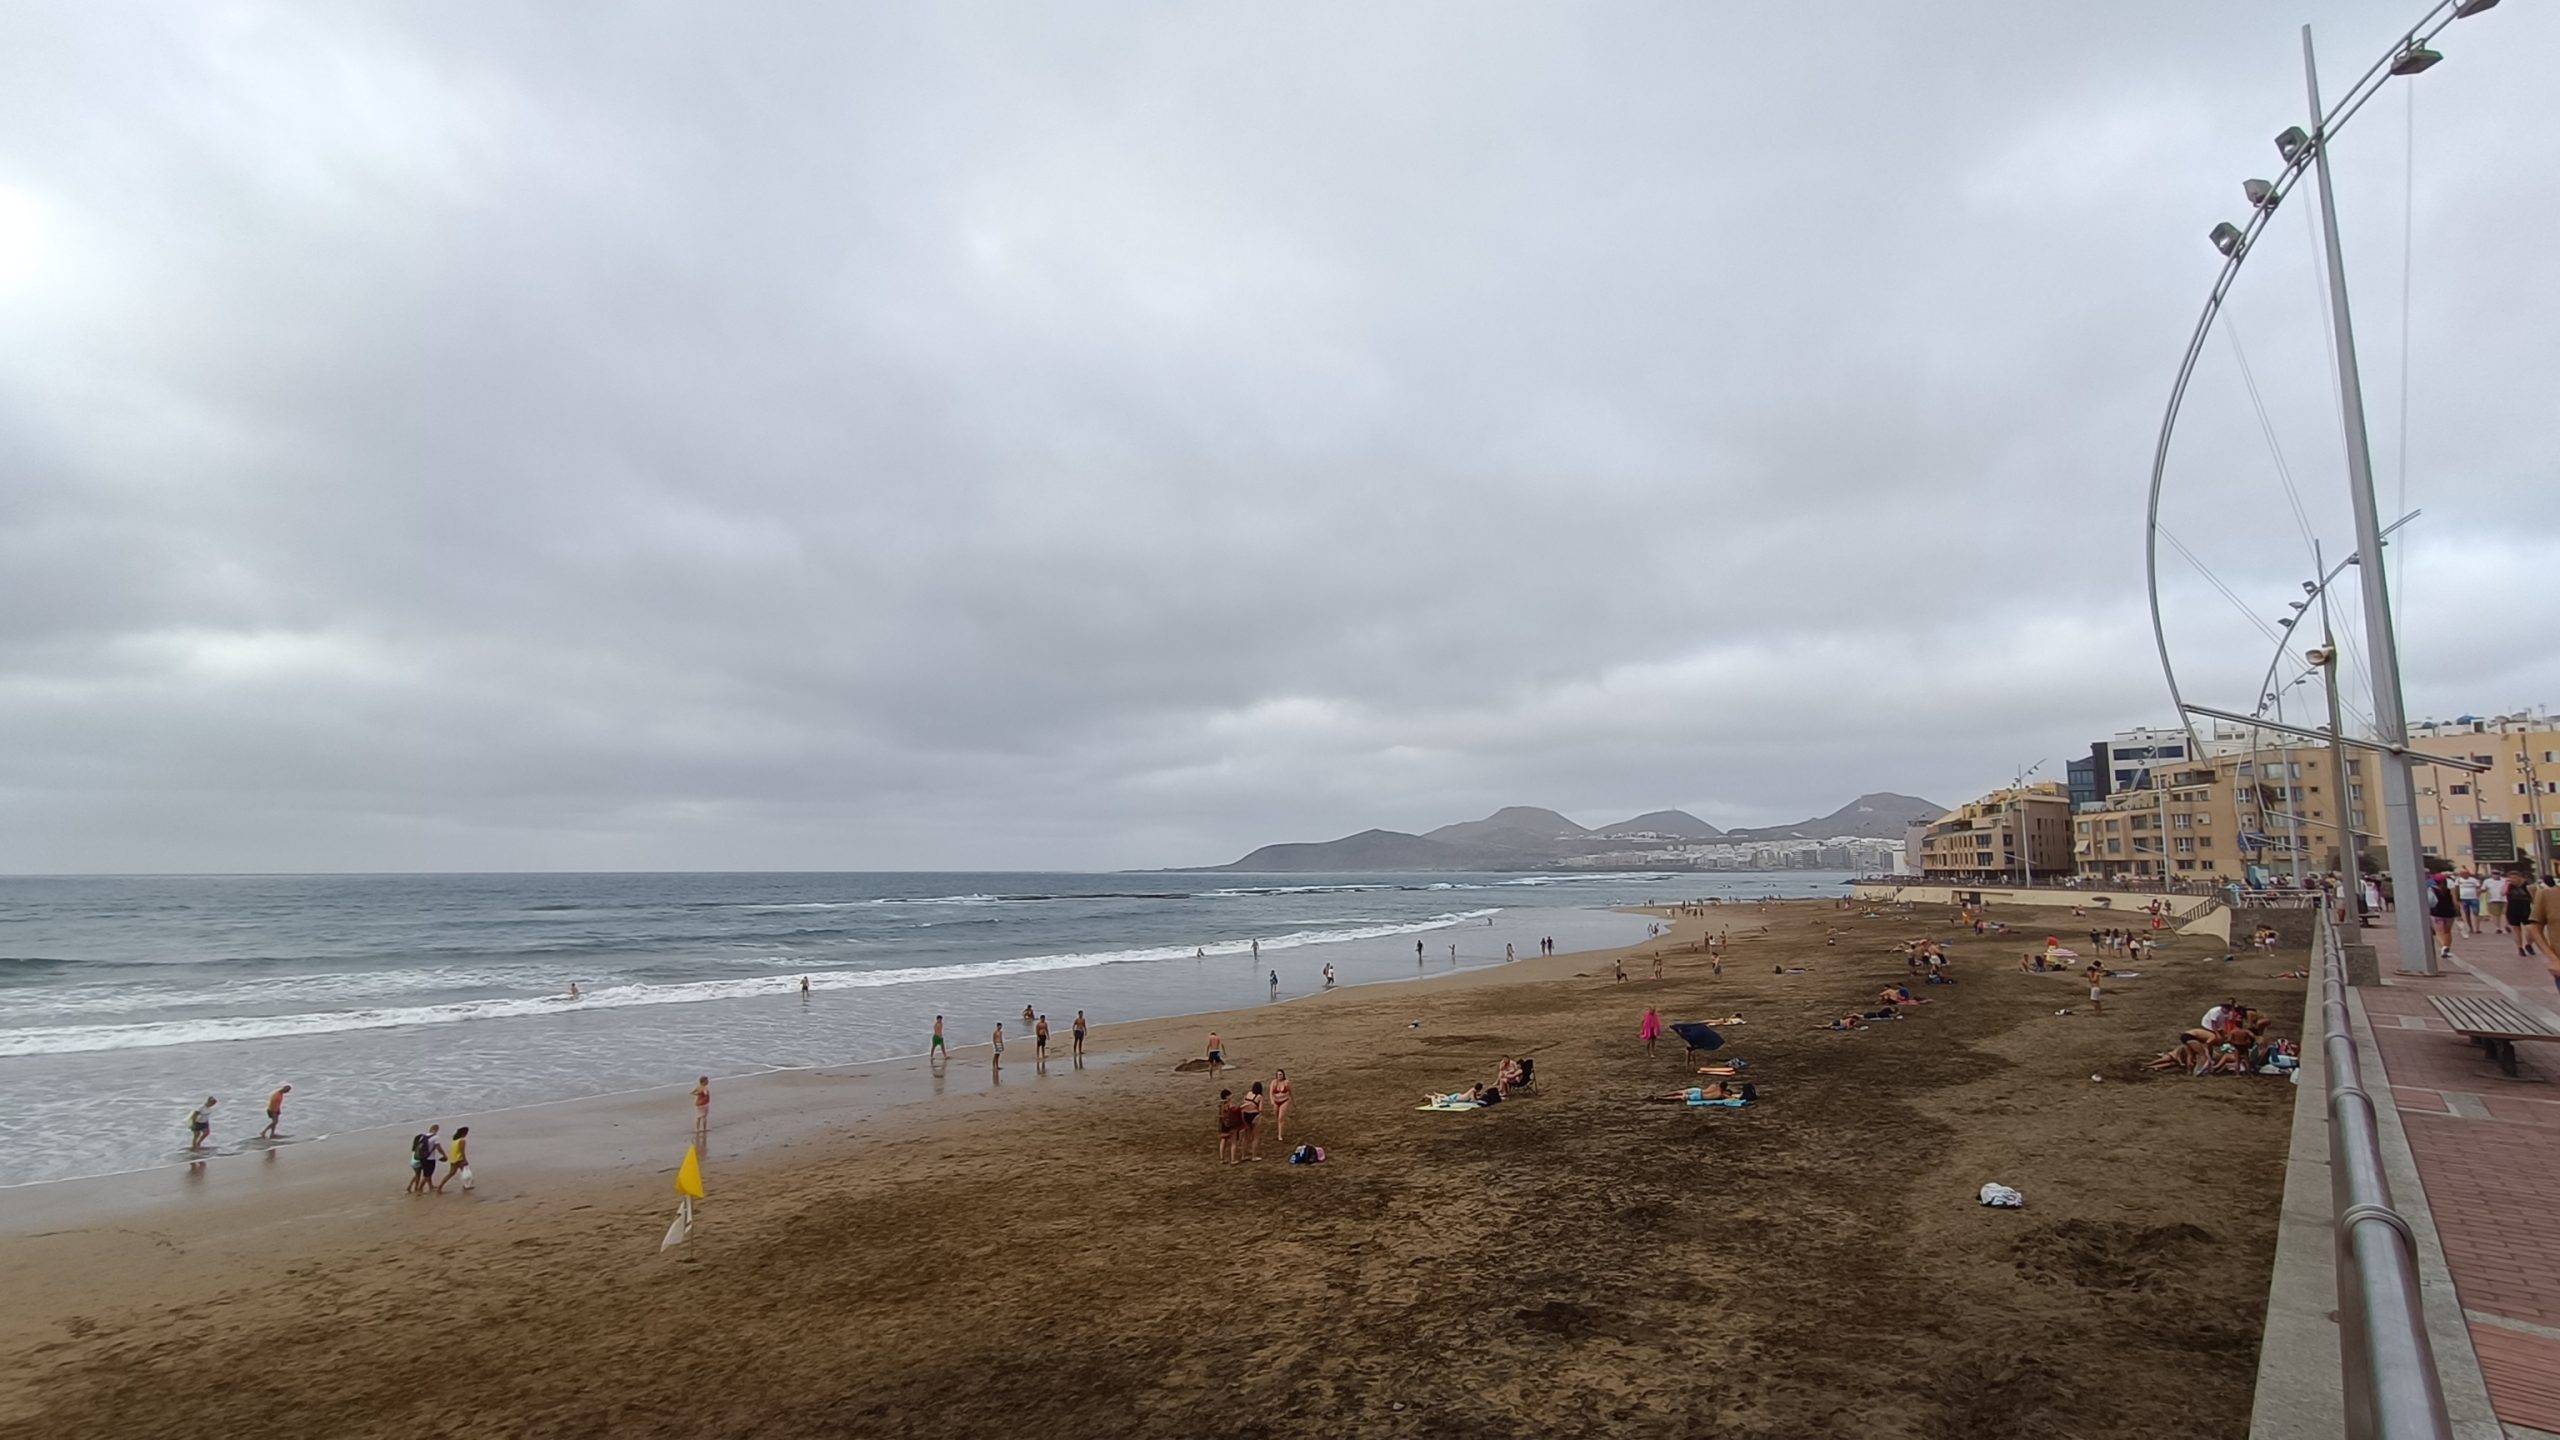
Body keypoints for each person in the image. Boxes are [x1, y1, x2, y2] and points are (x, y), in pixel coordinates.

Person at [2427, 867, 2461, 962]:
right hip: (2449, 912)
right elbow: (2455, 901)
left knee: (2439, 932)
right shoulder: (2450, 889)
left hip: (2437, 912)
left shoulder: (2432, 889)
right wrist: (2458, 912)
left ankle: (2443, 947)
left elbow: (2430, 901)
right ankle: (2447, 948)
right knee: (2447, 931)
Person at [2506, 871, 2538, 957]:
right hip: (2512, 909)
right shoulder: (2508, 886)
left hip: (2526, 909)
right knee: (2516, 930)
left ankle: (2529, 944)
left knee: (2531, 929)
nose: (2512, 880)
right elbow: (2503, 893)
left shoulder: (2528, 886)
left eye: (2514, 878)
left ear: (2520, 877)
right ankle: (2520, 948)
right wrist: (2506, 884)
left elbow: (2534, 899)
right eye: (2510, 878)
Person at [408, 1123, 442, 1196]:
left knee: (422, 1174)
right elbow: (438, 1147)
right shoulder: (435, 1137)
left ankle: (427, 1186)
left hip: (417, 1160)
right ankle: (418, 1188)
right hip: (424, 1160)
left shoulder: (420, 1141)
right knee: (426, 1174)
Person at [437, 1126, 471, 1195]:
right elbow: (462, 1151)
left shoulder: (455, 1140)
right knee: (463, 1173)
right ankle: (466, 1185)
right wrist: (465, 1160)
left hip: (453, 1158)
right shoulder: (462, 1140)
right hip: (458, 1159)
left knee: (452, 1173)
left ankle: (440, 1187)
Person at [1240, 1082, 1265, 1160]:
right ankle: (1254, 1156)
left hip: (1245, 1115)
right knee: (1255, 1137)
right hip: (1254, 1115)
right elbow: (1260, 1109)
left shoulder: (1248, 1093)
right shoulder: (1260, 1097)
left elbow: (1244, 1102)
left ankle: (1243, 1156)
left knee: (1246, 1137)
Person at [1215, 1089, 1241, 1163]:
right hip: (1231, 1124)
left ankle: (1222, 1158)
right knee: (1233, 1142)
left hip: (1223, 1124)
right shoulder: (1229, 1104)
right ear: (1227, 1096)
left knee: (1223, 1140)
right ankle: (1233, 1159)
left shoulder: (1220, 1105)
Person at [1270, 1069, 1293, 1143]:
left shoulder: (1286, 1082)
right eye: (1278, 1075)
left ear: (1283, 1075)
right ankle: (1280, 1128)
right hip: (1276, 1101)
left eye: (1281, 1074)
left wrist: (1293, 1101)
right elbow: (1270, 1093)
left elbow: (1290, 1092)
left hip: (1285, 1101)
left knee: (1281, 1118)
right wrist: (1272, 1101)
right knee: (1277, 1117)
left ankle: (1280, 1135)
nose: (1280, 1076)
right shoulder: (1274, 1082)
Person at [693, 1076, 710, 1142]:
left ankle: (697, 1129)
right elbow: (705, 1093)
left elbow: (693, 1092)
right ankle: (704, 1128)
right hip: (704, 1104)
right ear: (703, 1082)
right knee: (704, 1117)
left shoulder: (698, 1087)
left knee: (698, 1117)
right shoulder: (704, 1088)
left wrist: (697, 1094)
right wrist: (705, 1093)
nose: (708, 1082)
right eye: (707, 1081)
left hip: (698, 1104)